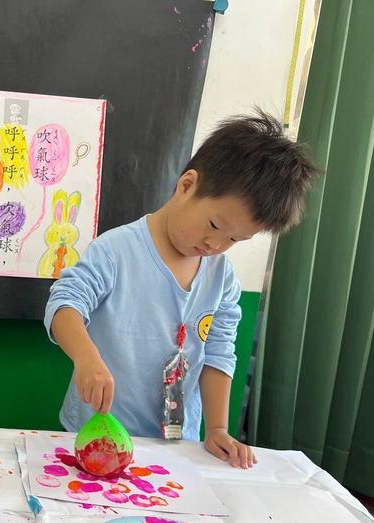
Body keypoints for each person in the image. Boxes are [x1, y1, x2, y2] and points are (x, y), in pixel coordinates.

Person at [44, 111, 317, 468]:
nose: (216, 244)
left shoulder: (222, 278)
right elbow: (66, 301)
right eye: (215, 225)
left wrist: (217, 428)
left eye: (234, 239)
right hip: (99, 434)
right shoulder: (116, 251)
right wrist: (86, 357)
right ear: (187, 185)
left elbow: (219, 352)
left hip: (176, 445)